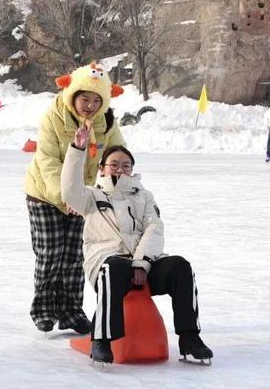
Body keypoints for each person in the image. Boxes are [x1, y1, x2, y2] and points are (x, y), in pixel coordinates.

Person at [61, 131, 214, 365]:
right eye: (114, 165)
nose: (120, 169)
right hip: (107, 263)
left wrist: (142, 263)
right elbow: (69, 190)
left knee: (180, 266)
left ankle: (189, 337)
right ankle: (102, 340)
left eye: (126, 165)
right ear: (102, 169)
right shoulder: (90, 196)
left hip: (145, 262)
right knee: (114, 267)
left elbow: (154, 228)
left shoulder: (145, 196)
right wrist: (77, 150)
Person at [24, 62, 125, 334]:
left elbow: (117, 152)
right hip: (45, 194)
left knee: (74, 255)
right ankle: (44, 310)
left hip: (82, 196)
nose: (90, 105)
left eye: (96, 100)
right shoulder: (54, 116)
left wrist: (116, 182)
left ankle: (71, 312)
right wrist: (63, 196)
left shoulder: (106, 121)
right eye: (85, 99)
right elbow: (47, 159)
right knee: (50, 254)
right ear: (73, 95)